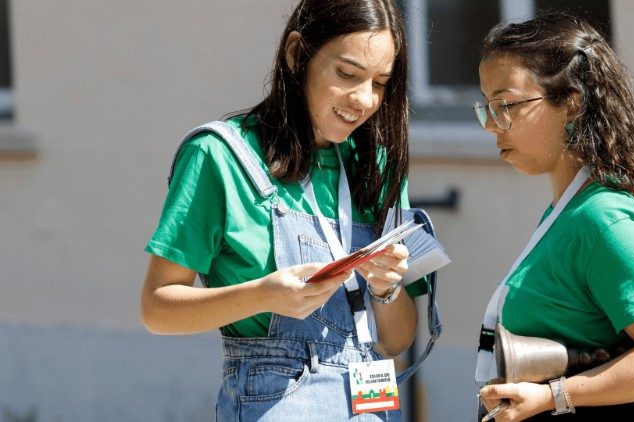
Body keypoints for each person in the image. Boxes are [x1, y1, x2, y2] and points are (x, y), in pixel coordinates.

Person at [140, 1, 430, 420]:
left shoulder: (378, 167)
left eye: (380, 82)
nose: (365, 99)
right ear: (297, 55)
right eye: (347, 74)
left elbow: (396, 340)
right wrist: (264, 296)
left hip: (371, 405)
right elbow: (156, 308)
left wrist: (388, 289)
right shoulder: (219, 156)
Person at [473, 13, 634, 421]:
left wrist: (554, 396)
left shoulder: (607, 218)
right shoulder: (571, 210)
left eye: (506, 105)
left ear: (571, 102)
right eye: (487, 108)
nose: (491, 126)